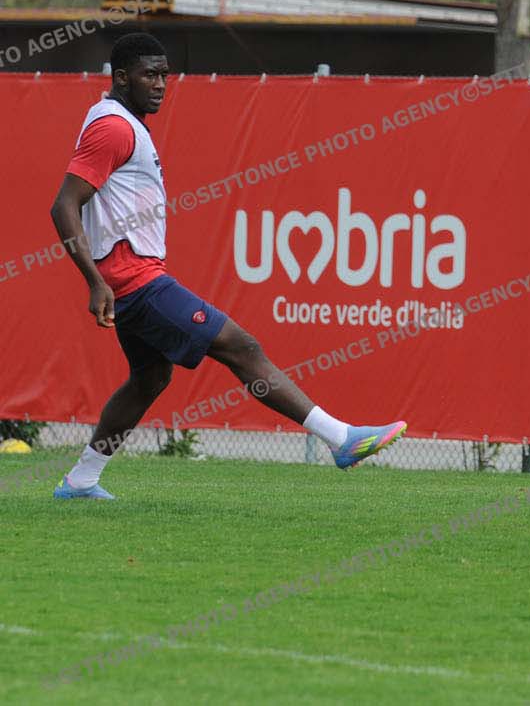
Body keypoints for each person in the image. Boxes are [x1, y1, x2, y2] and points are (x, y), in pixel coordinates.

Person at [49, 33, 405, 500]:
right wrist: (95, 282)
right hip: (134, 280)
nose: (160, 84)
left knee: (150, 378)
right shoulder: (114, 128)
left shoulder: (121, 122)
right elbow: (64, 205)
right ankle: (341, 439)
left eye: (164, 75)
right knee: (241, 346)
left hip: (131, 276)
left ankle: (81, 481)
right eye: (149, 75)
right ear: (120, 77)